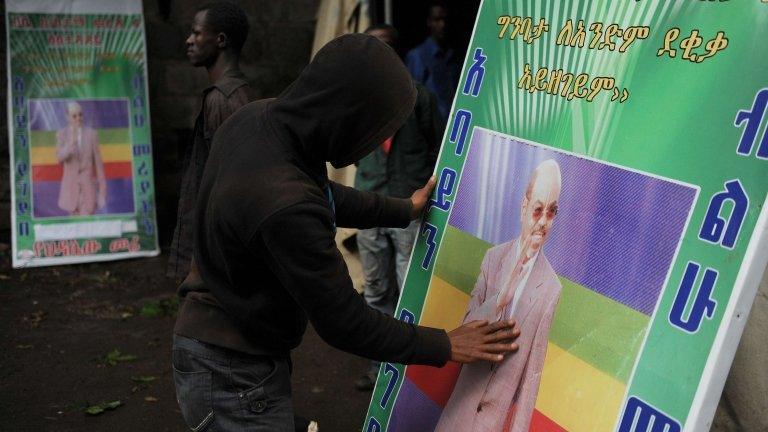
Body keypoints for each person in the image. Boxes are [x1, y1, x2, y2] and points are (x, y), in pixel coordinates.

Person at [171, 34, 520, 431]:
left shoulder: (259, 121)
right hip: (232, 375)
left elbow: (322, 195)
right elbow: (345, 322)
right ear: (344, 115)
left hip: (221, 350)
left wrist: (404, 209)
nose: (365, 149)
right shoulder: (283, 201)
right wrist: (446, 343)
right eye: (369, 133)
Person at [435, 160, 563, 432]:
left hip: (491, 424)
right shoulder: (494, 259)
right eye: (538, 210)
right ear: (523, 207)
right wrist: (501, 296)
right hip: (458, 411)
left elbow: (531, 379)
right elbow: (466, 327)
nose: (542, 222)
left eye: (551, 213)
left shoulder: (551, 288)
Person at [353, 23, 444, 391]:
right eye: (373, 48)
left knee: (410, 288)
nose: (381, 54)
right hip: (368, 201)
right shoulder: (356, 100)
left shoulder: (419, 97)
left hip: (408, 204)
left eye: (387, 46)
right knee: (375, 288)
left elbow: (438, 148)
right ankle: (379, 367)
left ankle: (410, 371)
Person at [167, 1, 254, 280]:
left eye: (196, 33)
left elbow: (234, 183)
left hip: (219, 252)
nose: (189, 40)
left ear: (220, 40)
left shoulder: (224, 100)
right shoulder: (229, 93)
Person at [405, 1, 461, 123]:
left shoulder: (455, 56)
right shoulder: (417, 56)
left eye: (445, 19)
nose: (442, 24)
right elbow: (413, 101)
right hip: (431, 129)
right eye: (437, 20)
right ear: (429, 22)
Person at [56, 101, 106, 216]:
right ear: (67, 117)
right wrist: (70, 144)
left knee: (88, 228)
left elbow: (99, 165)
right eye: (74, 116)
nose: (78, 118)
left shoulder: (92, 134)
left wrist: (103, 192)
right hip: (70, 193)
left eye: (80, 114)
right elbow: (59, 158)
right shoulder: (62, 134)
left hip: (88, 192)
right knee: (74, 230)